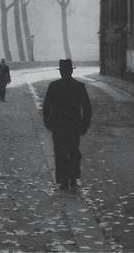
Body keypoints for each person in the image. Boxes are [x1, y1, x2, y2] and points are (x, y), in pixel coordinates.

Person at [43, 59, 92, 191]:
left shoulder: (54, 86)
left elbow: (46, 107)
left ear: (61, 72)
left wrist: (48, 123)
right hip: (74, 125)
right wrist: (85, 125)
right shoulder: (79, 86)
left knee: (60, 153)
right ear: (71, 71)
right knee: (74, 152)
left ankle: (63, 181)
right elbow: (87, 108)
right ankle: (73, 179)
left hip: (58, 126)